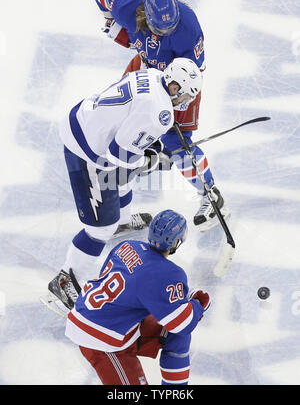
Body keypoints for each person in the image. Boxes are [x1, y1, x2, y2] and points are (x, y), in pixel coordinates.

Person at [46, 57, 203, 311]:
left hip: (83, 119)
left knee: (123, 179)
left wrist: (150, 148)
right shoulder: (160, 113)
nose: (186, 102)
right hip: (86, 151)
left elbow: (129, 119)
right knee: (100, 230)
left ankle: (121, 220)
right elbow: (118, 154)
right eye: (186, 95)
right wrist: (150, 161)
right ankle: (66, 280)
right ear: (175, 87)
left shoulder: (152, 75)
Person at [92, 0, 230, 231]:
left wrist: (171, 108)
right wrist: (111, 21)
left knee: (178, 144)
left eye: (170, 28)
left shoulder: (189, 32)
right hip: (143, 72)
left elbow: (192, 77)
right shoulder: (128, 6)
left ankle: (212, 197)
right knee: (121, 130)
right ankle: (121, 217)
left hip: (180, 84)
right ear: (146, 14)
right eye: (160, 29)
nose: (167, 32)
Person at [65, 209, 210, 385]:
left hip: (91, 315)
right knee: (178, 329)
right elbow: (182, 323)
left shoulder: (126, 245)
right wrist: (199, 303)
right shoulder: (169, 273)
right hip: (101, 340)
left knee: (174, 335)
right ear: (177, 242)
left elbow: (133, 285)